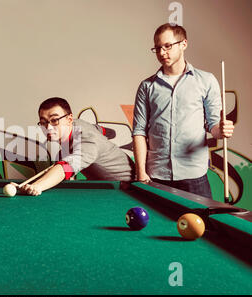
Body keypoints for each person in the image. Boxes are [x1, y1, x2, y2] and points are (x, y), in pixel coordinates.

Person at [132, 23, 234, 199]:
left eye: (167, 46)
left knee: (202, 226)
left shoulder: (206, 81)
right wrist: (141, 171)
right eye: (157, 48)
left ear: (183, 44)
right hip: (156, 175)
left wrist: (221, 130)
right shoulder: (147, 86)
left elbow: (213, 126)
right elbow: (139, 131)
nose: (162, 53)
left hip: (194, 176)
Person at [17, 97, 135, 196]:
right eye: (43, 122)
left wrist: (37, 186)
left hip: (128, 189)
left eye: (54, 120)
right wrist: (27, 185)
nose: (48, 128)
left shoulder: (87, 141)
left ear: (69, 119)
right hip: (107, 189)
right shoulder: (76, 125)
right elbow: (99, 129)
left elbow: (66, 167)